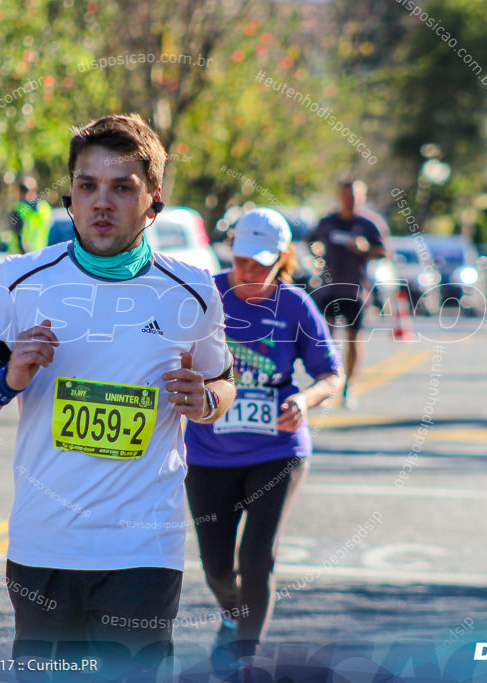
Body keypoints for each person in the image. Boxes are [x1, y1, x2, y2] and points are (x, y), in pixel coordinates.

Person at [0, 114, 236, 680]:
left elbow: (223, 383)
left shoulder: (193, 292)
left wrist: (204, 402)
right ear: (70, 197)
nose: (102, 202)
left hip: (143, 549)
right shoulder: (17, 281)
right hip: (44, 546)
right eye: (87, 186)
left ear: (154, 202)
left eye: (122, 187)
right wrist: (8, 380)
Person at [184, 208, 344, 671]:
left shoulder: (295, 305)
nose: (248, 272)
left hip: (278, 449)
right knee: (216, 566)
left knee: (257, 558)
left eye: (260, 264)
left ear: (283, 259)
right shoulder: (205, 293)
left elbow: (331, 374)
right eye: (241, 262)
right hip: (209, 451)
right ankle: (234, 617)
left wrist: (307, 401)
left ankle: (244, 658)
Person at [306, 179, 388, 408]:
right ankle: (325, 386)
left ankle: (349, 387)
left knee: (353, 341)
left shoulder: (368, 224)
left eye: (355, 196)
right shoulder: (328, 222)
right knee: (327, 339)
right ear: (340, 196)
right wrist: (318, 255)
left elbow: (384, 251)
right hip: (330, 289)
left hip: (356, 291)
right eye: (346, 195)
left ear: (361, 197)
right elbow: (310, 240)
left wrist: (365, 249)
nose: (350, 200)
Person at [10, 176, 53, 253]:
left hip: (39, 254)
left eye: (26, 190)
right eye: (22, 190)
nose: (25, 194)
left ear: (35, 191)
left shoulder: (44, 208)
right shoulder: (19, 210)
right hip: (21, 256)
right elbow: (17, 235)